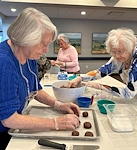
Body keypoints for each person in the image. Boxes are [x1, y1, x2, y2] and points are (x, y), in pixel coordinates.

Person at [0, 8, 80, 150]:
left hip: (15, 127)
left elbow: (35, 89)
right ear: (26, 39)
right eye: (44, 44)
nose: (46, 50)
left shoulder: (29, 54)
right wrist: (55, 123)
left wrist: (58, 105)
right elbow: (9, 119)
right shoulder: (4, 62)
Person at [69, 28, 137, 101]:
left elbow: (128, 93)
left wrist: (99, 86)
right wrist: (80, 78)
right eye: (113, 52)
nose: (117, 56)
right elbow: (100, 72)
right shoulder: (118, 59)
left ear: (131, 47)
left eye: (120, 52)